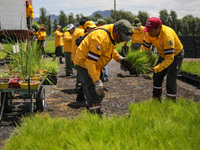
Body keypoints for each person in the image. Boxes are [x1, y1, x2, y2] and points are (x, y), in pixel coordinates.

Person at [74, 19, 133, 114]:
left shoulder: (111, 33)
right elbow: (90, 62)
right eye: (121, 38)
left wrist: (120, 59)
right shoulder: (100, 37)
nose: (122, 41)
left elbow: (110, 49)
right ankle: (95, 115)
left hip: (96, 64)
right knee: (93, 90)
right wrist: (97, 82)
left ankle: (92, 107)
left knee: (97, 91)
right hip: (84, 63)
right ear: (117, 30)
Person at [141, 17, 184, 102]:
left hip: (175, 56)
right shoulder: (149, 34)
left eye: (150, 30)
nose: (148, 32)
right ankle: (156, 100)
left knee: (170, 80)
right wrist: (140, 62)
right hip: (163, 54)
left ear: (159, 28)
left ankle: (170, 104)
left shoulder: (167, 36)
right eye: (147, 29)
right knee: (157, 76)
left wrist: (154, 69)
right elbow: (144, 49)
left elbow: (169, 59)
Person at [71, 17, 89, 102]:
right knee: (80, 73)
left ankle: (78, 88)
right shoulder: (81, 32)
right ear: (84, 24)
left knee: (79, 72)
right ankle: (79, 88)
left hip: (75, 54)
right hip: (78, 55)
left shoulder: (77, 30)